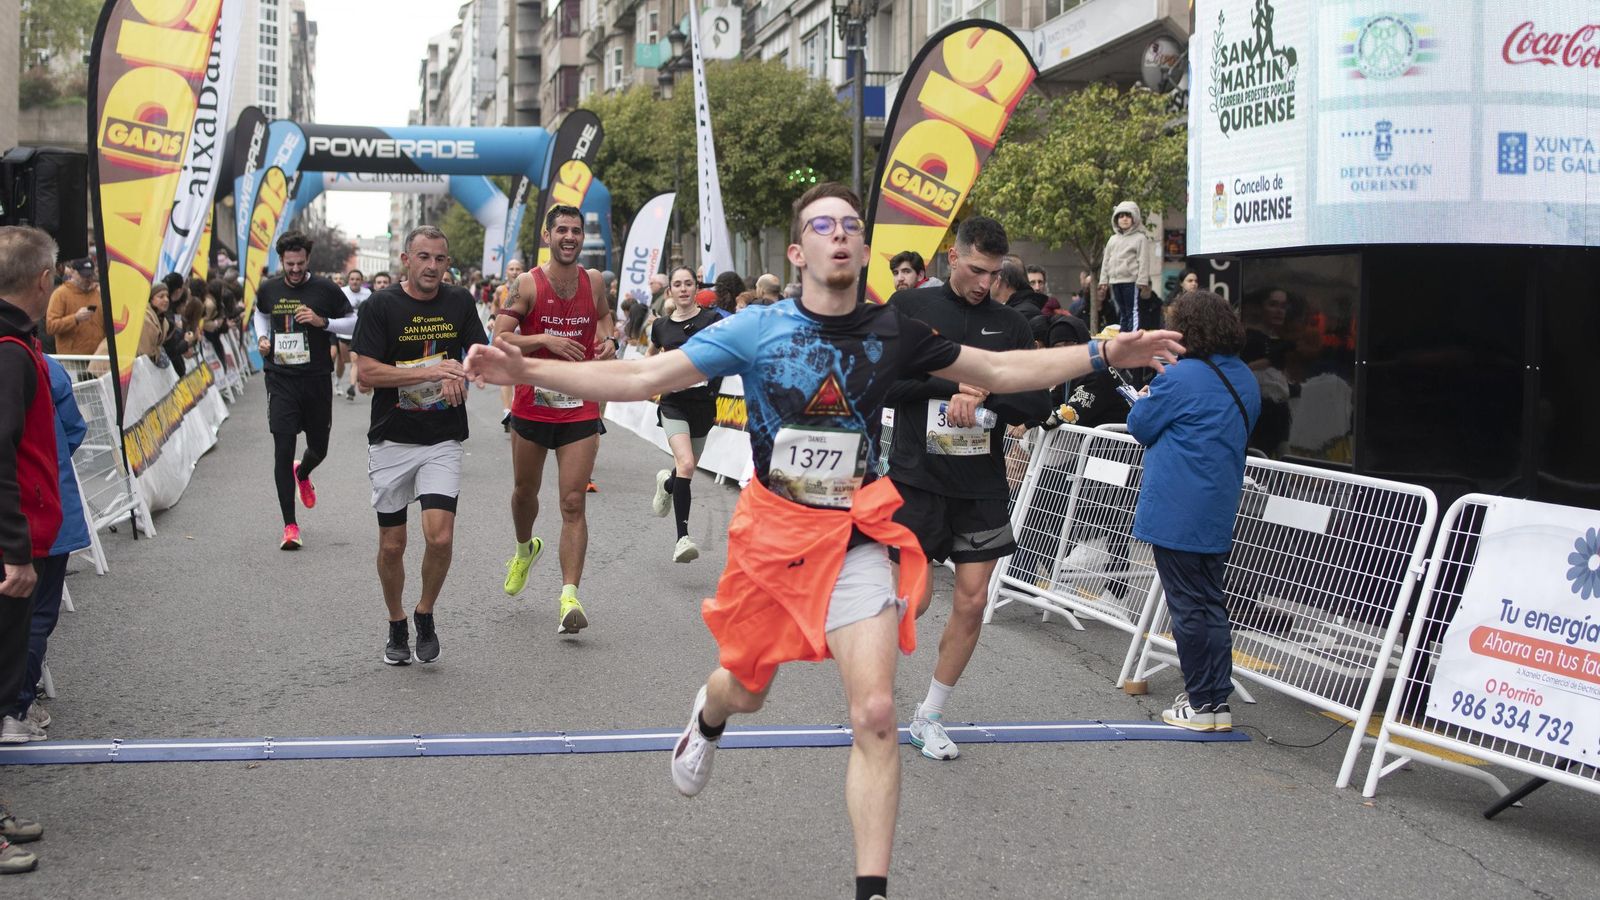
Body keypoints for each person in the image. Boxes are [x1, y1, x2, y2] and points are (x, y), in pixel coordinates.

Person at [463, 182, 1184, 897]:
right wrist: (525, 369)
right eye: (822, 225)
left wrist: (1105, 349)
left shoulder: (891, 329)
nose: (838, 234)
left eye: (849, 225)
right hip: (773, 537)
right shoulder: (759, 328)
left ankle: (871, 889)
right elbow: (643, 374)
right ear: (798, 250)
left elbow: (996, 370)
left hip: (856, 532)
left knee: (874, 713)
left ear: (861, 247)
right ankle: (706, 719)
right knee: (743, 691)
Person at [885, 217, 1049, 762]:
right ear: (952, 259)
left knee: (973, 600)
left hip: (980, 485)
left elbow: (1037, 404)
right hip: (916, 478)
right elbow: (885, 382)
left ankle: (928, 714)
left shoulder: (1011, 325)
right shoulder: (913, 309)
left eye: (994, 273)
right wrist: (953, 383)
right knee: (914, 601)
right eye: (976, 270)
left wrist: (989, 395)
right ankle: (874, 695)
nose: (985, 282)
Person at [351, 225, 487, 665]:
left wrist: (463, 373)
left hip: (441, 438)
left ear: (448, 264)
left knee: (440, 536)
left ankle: (425, 611)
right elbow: (368, 373)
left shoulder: (460, 301)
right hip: (392, 438)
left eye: (439, 259)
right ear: (406, 260)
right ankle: (396, 621)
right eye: (423, 257)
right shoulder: (380, 306)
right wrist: (430, 372)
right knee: (392, 544)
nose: (432, 267)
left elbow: (478, 355)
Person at [1126, 290, 1258, 731]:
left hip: (1175, 507)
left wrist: (1144, 397)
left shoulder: (1179, 377)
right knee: (1210, 603)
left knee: (1186, 607)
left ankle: (1202, 704)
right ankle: (1215, 699)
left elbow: (1140, 426)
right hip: (1217, 505)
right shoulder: (1244, 377)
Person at [494, 205, 616, 632]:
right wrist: (546, 338)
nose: (570, 237)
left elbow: (604, 317)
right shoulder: (527, 284)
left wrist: (609, 341)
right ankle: (525, 548)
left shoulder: (594, 281)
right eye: (561, 230)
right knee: (525, 494)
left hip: (580, 404)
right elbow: (500, 337)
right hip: (532, 405)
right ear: (547, 236)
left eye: (576, 231)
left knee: (572, 501)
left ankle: (569, 598)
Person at [0, 225, 64, 875]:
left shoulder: (17, 344)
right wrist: (16, 551)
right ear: (43, 281)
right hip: (9, 549)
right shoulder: (11, 351)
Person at [4, 353, 88, 745]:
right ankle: (16, 706)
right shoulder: (42, 364)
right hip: (44, 509)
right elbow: (74, 429)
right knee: (36, 613)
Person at [252, 231, 355, 550]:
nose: (294, 269)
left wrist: (321, 321)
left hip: (316, 380)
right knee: (282, 450)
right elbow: (260, 313)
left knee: (318, 448)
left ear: (308, 260)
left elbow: (353, 322)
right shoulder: (269, 288)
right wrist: (262, 340)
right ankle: (290, 526)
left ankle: (304, 472)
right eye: (289, 264)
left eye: (300, 263)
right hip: (280, 378)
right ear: (281, 261)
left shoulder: (325, 289)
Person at [648, 266, 722, 563]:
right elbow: (650, 357)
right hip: (673, 403)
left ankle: (666, 484)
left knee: (682, 472)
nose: (682, 289)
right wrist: (653, 378)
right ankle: (682, 538)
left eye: (688, 284)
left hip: (703, 405)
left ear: (695, 288)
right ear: (670, 292)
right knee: (687, 465)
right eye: (677, 284)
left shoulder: (712, 320)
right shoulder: (662, 326)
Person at [1098, 201, 1156, 333]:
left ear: (1134, 218)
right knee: (1122, 311)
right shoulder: (1112, 239)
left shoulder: (1140, 238)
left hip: (1131, 281)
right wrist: (1103, 280)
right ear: (1116, 219)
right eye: (1120, 216)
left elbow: (1143, 261)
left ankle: (1133, 335)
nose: (1124, 219)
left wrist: (1142, 280)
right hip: (1115, 281)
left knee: (1133, 311)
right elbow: (1106, 260)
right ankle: (1124, 334)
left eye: (1128, 216)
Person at [44, 257, 103, 357]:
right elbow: (50, 326)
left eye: (90, 275)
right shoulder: (60, 294)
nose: (87, 279)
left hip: (98, 359)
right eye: (83, 275)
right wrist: (75, 318)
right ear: (72, 272)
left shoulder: (98, 293)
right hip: (73, 360)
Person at [335, 268, 372, 400]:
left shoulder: (367, 293)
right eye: (352, 279)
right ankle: (338, 381)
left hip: (359, 333)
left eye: (357, 279)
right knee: (342, 361)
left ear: (361, 281)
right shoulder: (342, 292)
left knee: (354, 361)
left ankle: (351, 388)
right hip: (343, 333)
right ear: (348, 280)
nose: (355, 282)